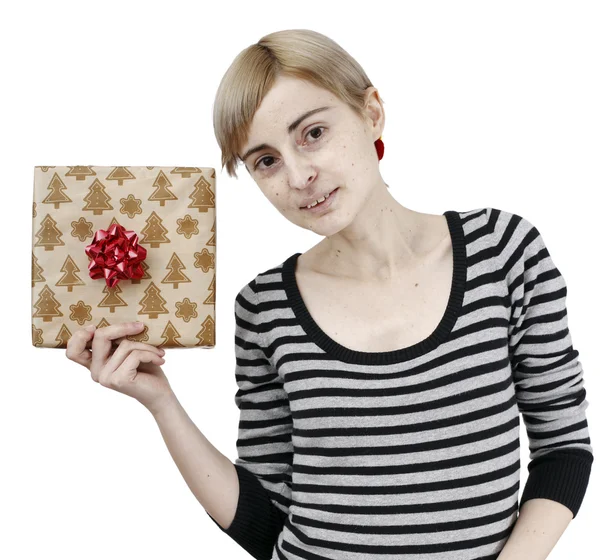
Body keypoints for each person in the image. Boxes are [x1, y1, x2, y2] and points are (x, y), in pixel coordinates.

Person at [66, 29, 593, 560]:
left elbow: (564, 450)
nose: (298, 175)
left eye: (312, 132)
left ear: (372, 113)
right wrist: (161, 402)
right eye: (265, 161)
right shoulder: (263, 308)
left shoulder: (504, 253)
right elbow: (264, 517)